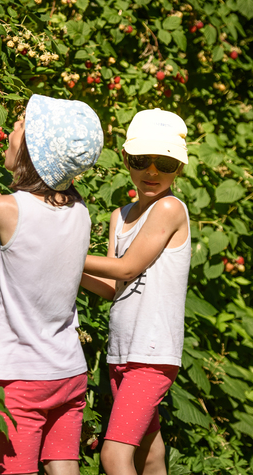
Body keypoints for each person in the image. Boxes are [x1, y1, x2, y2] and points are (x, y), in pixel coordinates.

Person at [0, 94, 104, 475]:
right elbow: (36, 237)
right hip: (68, 371)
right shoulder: (80, 212)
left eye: (19, 126)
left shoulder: (6, 210)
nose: (10, 131)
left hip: (21, 379)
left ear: (33, 150)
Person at [80, 109, 191, 475]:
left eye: (166, 163)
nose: (153, 172)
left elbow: (128, 267)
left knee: (114, 456)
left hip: (153, 353)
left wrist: (62, 249)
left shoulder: (170, 208)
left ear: (180, 168)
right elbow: (114, 286)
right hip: (123, 351)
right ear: (127, 158)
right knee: (149, 452)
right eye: (143, 160)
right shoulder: (121, 215)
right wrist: (66, 266)